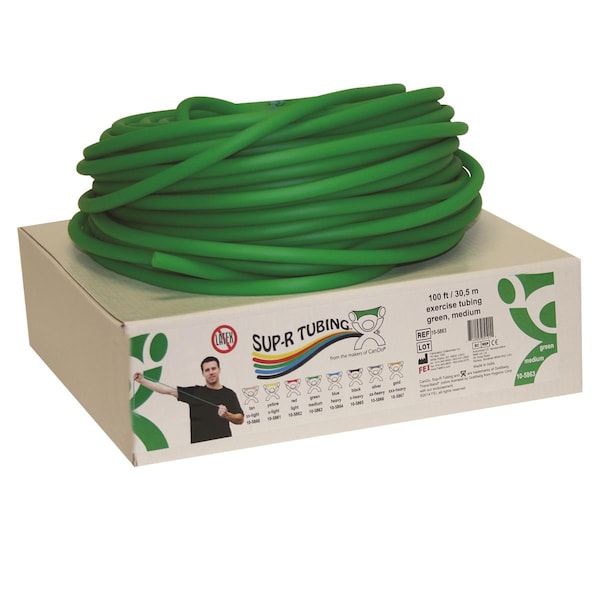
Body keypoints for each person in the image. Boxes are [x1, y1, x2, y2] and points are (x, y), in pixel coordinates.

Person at [134, 356, 244, 443]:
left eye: (213, 368)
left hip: (224, 445)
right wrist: (142, 381)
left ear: (219, 370)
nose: (211, 372)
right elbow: (168, 390)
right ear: (203, 373)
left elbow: (240, 419)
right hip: (199, 449)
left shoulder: (229, 394)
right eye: (207, 370)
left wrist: (227, 415)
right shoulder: (195, 392)